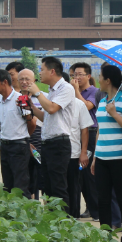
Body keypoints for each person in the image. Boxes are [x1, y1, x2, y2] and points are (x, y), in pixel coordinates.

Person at [91, 65, 122, 242]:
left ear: (108, 80)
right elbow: (100, 131)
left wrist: (115, 114)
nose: (99, 79)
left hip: (120, 159)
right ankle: (106, 236)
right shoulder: (102, 101)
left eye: (100, 76)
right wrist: (95, 157)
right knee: (102, 199)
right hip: (102, 157)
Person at [24, 57, 75, 208]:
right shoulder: (52, 91)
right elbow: (46, 116)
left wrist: (37, 92)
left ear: (52, 71)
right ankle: (53, 220)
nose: (39, 73)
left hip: (59, 144)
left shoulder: (66, 88)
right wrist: (31, 105)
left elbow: (52, 108)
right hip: (47, 143)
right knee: (48, 187)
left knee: (58, 187)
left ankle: (63, 223)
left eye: (41, 69)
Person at [0, 69, 31, 198]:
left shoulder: (20, 99)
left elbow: (31, 123)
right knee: (7, 184)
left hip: (18, 146)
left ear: (4, 82)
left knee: (20, 185)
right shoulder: (0, 101)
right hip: (5, 145)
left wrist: (25, 140)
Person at [71, 62, 99, 219]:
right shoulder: (72, 92)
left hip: (91, 133)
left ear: (88, 76)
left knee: (89, 172)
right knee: (79, 174)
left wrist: (75, 91)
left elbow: (86, 106)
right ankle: (89, 206)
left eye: (80, 74)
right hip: (77, 134)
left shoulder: (94, 92)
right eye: (75, 74)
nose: (77, 77)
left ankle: (95, 209)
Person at [61, 72, 92, 218]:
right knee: (57, 187)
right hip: (55, 154)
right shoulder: (49, 103)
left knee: (73, 187)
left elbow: (84, 130)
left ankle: (74, 217)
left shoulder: (79, 104)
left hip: (73, 153)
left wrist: (83, 152)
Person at [18, 69, 43, 199]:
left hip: (39, 137)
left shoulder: (43, 96)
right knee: (25, 175)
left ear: (34, 81)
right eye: (21, 79)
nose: (24, 82)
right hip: (21, 139)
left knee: (39, 175)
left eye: (27, 79)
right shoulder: (15, 98)